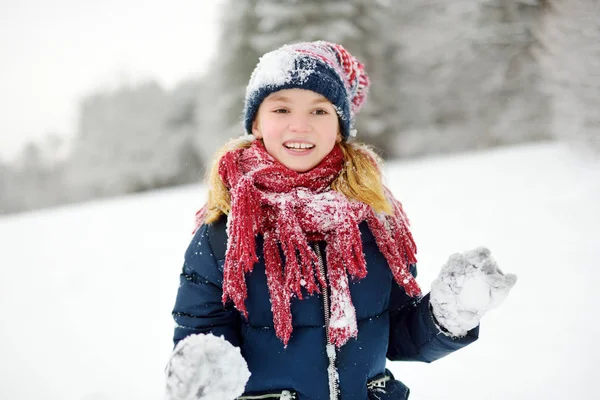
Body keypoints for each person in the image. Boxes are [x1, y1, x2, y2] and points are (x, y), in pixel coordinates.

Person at [165, 41, 517, 400]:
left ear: (340, 126)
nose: (299, 126)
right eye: (281, 109)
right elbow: (201, 334)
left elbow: (395, 333)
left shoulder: (377, 222)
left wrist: (448, 315)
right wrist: (202, 371)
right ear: (256, 122)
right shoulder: (223, 235)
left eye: (319, 112)